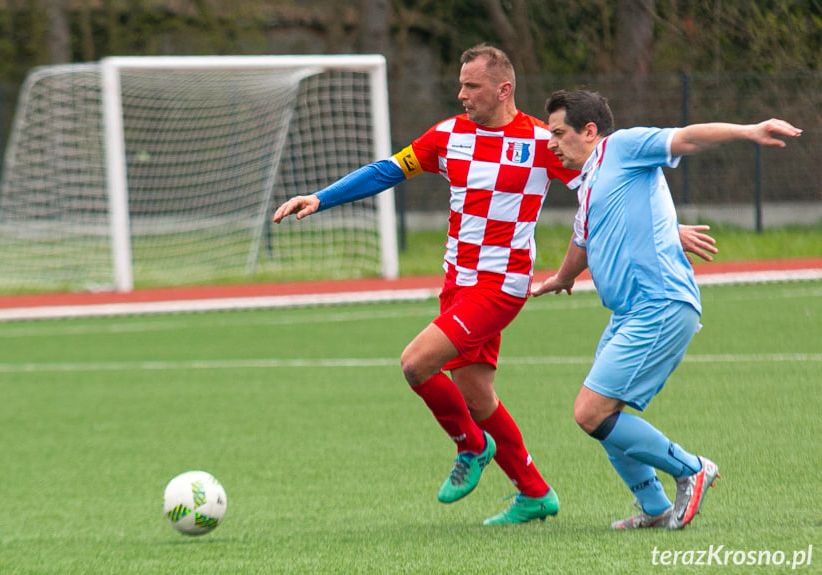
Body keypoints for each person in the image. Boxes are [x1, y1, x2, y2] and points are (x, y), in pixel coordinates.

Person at [274, 44, 715, 525]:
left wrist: (665, 229)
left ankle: (471, 445)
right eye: (461, 84)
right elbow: (388, 170)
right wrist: (321, 197)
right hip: (457, 284)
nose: (461, 94)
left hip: (500, 286)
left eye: (472, 86)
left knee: (415, 364)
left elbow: (605, 188)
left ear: (503, 89)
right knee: (476, 395)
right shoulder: (446, 136)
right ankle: (534, 492)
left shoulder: (542, 141)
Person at [532, 89, 802, 530]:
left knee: (590, 412)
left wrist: (749, 130)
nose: (553, 143)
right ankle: (656, 509)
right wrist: (561, 279)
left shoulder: (619, 148)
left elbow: (688, 138)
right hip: (628, 314)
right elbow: (582, 243)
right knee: (604, 415)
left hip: (658, 304)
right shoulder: (589, 185)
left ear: (590, 131)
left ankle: (691, 468)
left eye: (559, 133)